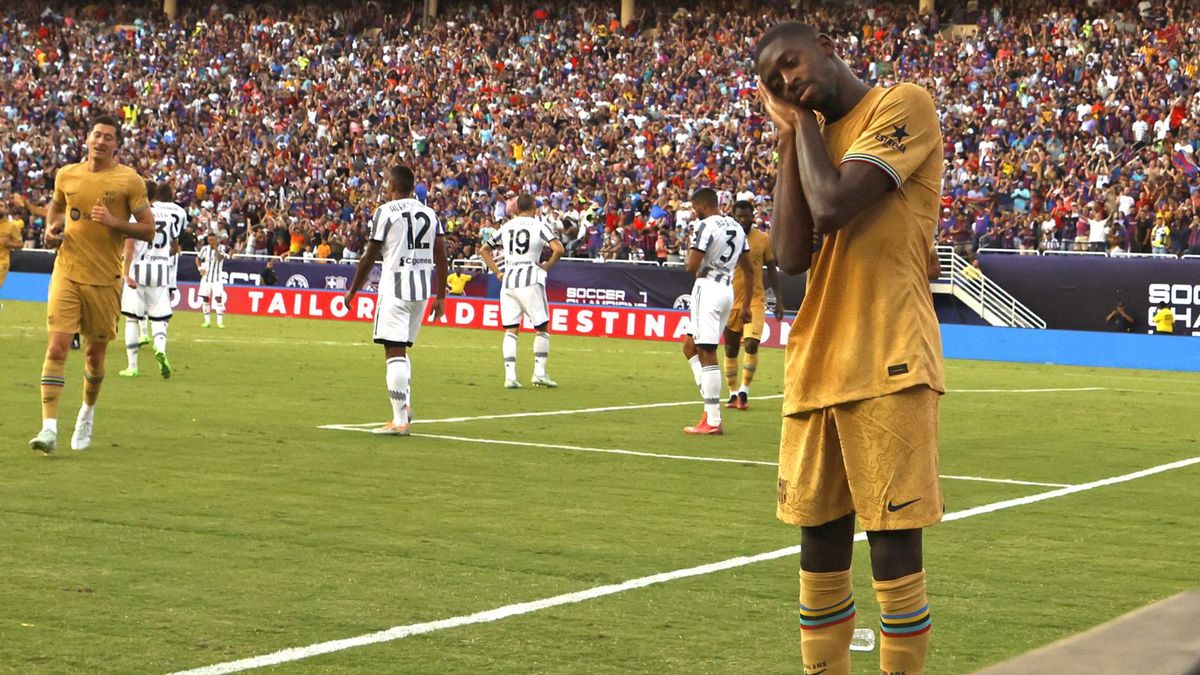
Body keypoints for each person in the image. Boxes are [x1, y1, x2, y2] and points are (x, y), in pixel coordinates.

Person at [757, 23, 944, 675]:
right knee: (820, 539)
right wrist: (788, 136)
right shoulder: (805, 137)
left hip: (889, 351)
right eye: (775, 84)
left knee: (892, 542)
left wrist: (799, 120)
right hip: (815, 362)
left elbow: (835, 204)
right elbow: (787, 257)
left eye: (791, 64)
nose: (788, 81)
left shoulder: (903, 103)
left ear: (826, 47)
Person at [29, 114, 154, 453]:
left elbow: (148, 229)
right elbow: (55, 211)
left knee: (95, 357)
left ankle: (87, 410)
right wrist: (51, 229)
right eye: (96, 135)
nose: (101, 141)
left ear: (116, 144)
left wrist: (114, 221)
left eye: (108, 137)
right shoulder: (66, 174)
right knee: (56, 347)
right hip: (66, 271)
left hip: (104, 280)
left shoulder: (129, 181)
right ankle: (49, 428)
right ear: (87, 138)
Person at [345, 165, 448, 435]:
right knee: (400, 349)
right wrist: (441, 295)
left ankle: (399, 421)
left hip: (395, 289)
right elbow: (441, 253)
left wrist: (353, 289)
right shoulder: (429, 213)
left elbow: (370, 254)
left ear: (392, 186)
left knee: (393, 351)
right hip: (422, 292)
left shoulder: (386, 212)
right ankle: (405, 404)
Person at [680, 187, 754, 435]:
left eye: (694, 208)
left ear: (701, 207)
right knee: (690, 348)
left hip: (707, 289)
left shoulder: (704, 226)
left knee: (707, 351)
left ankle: (712, 419)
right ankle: (708, 398)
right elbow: (750, 268)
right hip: (727, 291)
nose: (694, 212)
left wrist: (692, 266)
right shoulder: (735, 226)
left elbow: (691, 265)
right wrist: (745, 306)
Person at [480, 193, 565, 389]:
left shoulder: (507, 226)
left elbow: (484, 249)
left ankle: (510, 376)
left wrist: (497, 273)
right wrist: (546, 266)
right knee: (542, 326)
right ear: (534, 208)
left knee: (511, 329)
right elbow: (558, 249)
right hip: (530, 278)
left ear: (517, 209)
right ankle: (539, 373)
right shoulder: (539, 226)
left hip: (509, 280)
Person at [120, 182, 186, 378]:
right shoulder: (168, 217)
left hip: (138, 270)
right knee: (159, 318)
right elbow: (175, 248)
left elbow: (129, 247)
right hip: (162, 271)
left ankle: (132, 366)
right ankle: (160, 350)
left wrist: (126, 272)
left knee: (132, 318)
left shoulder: (136, 215)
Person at [724, 200, 784, 410]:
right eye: (739, 216)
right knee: (730, 349)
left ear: (752, 216)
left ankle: (744, 391)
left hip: (756, 300)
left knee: (751, 343)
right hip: (729, 300)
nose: (742, 220)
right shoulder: (726, 237)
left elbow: (772, 269)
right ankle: (732, 394)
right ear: (733, 215)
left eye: (746, 216)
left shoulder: (763, 239)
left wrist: (778, 299)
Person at [196, 233, 229, 328]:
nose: (211, 242)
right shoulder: (204, 249)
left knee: (218, 298)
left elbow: (219, 258)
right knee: (205, 298)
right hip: (206, 277)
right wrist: (199, 268)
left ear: (216, 240)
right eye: (209, 240)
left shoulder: (221, 248)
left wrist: (215, 249)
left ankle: (220, 322)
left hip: (217, 278)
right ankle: (207, 321)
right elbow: (198, 259)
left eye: (213, 240)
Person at [0, 198, 25, 308]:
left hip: (2, 262)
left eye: (1, 206)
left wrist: (8, 242)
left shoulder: (12, 226)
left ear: (6, 209)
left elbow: (20, 244)